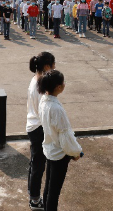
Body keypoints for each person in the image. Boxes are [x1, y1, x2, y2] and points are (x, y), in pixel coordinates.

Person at [38, 70, 82, 211]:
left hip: (50, 149)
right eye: (63, 82)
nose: (64, 85)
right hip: (59, 153)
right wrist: (76, 152)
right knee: (54, 191)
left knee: (48, 187)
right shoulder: (56, 108)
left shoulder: (43, 101)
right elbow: (65, 136)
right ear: (58, 87)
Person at [27, 52, 56, 210]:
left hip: (33, 125)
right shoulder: (40, 85)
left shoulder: (36, 78)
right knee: (38, 165)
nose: (55, 66)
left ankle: (32, 193)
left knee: (34, 163)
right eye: (53, 64)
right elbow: (44, 112)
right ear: (46, 66)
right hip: (38, 128)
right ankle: (35, 199)